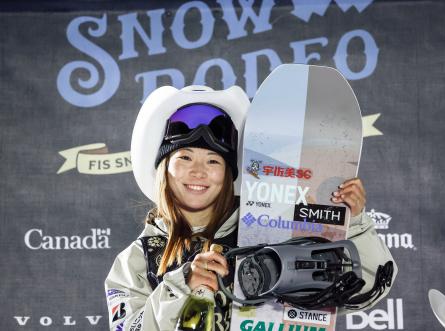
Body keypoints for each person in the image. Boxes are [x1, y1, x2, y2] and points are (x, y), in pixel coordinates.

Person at [105, 85, 397, 331]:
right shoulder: (137, 260)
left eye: (213, 161)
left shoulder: (267, 236)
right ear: (163, 170)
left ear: (229, 174)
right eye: (184, 158)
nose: (198, 172)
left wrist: (354, 222)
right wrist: (182, 284)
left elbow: (360, 291)